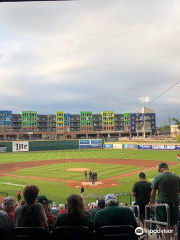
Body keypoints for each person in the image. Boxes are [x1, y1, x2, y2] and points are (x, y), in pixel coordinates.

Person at [149, 163, 180, 240]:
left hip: (162, 204)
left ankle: (167, 238)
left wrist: (151, 201)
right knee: (172, 223)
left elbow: (153, 192)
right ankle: (172, 238)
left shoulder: (158, 176)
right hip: (175, 204)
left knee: (162, 224)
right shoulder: (176, 176)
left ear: (161, 169)